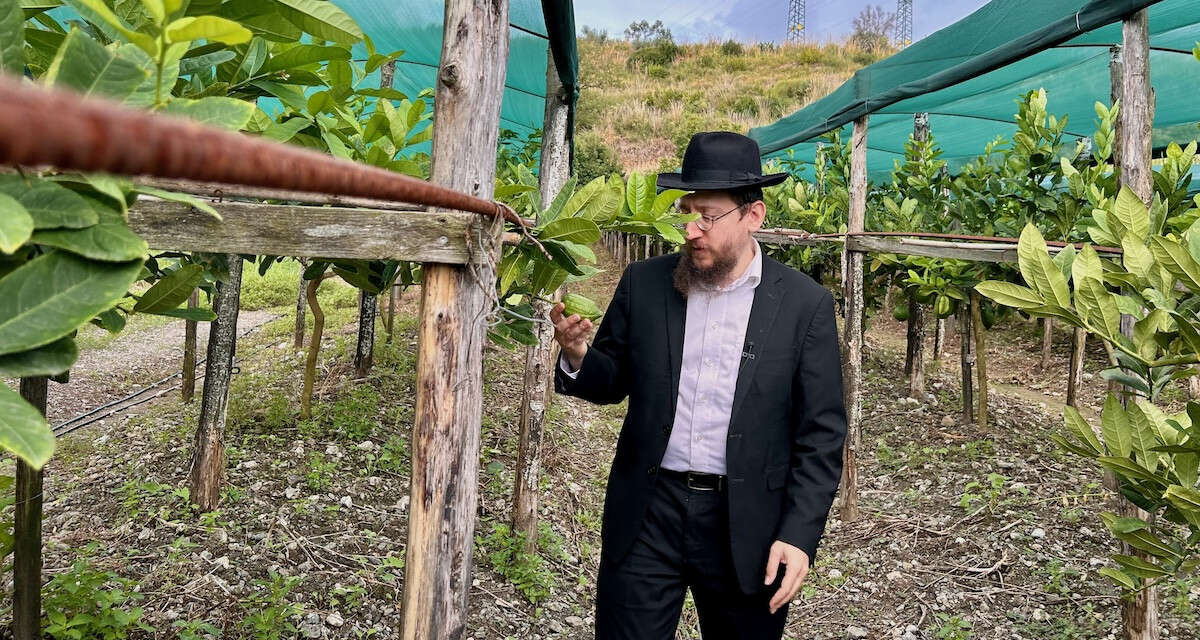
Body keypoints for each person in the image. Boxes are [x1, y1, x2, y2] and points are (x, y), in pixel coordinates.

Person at [550, 131, 847, 640]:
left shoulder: (803, 306)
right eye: (686, 211)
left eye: (706, 215)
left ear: (753, 216)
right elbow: (611, 381)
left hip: (747, 521)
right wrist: (578, 355)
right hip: (648, 511)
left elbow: (820, 436)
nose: (690, 229)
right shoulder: (645, 284)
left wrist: (798, 536)